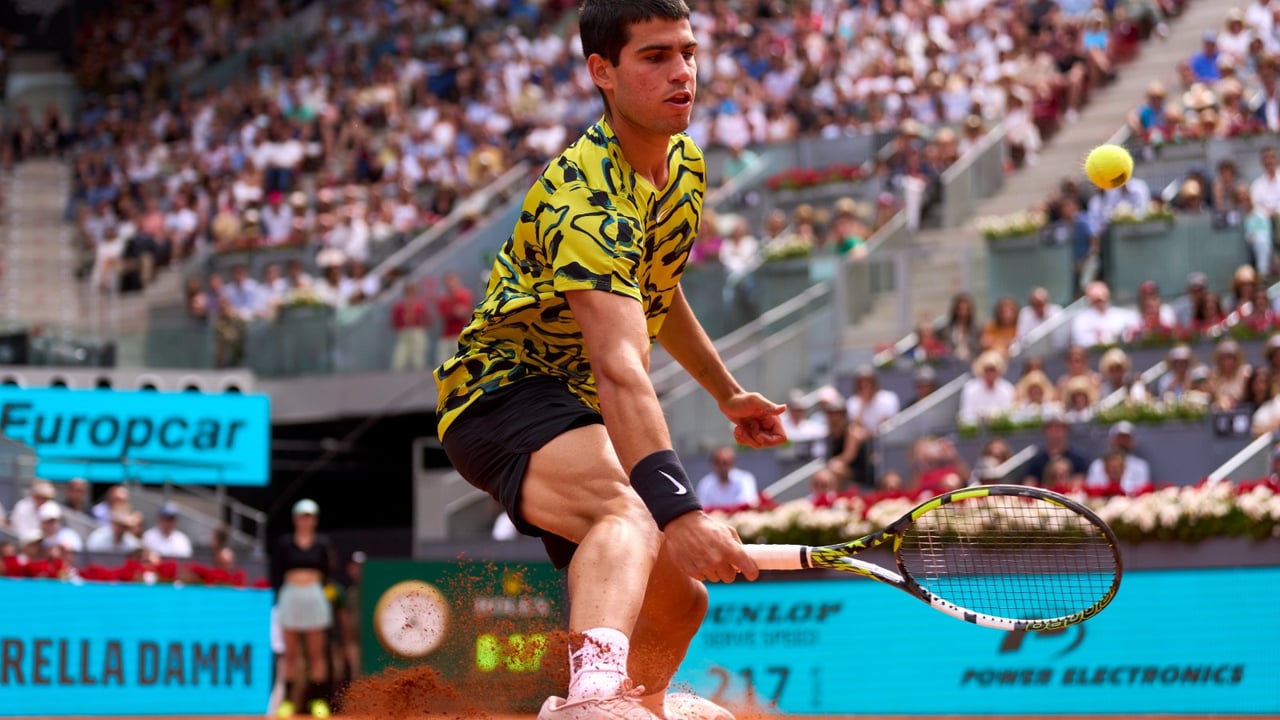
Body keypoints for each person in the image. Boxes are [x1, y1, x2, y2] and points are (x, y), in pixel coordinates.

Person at [431, 4, 785, 718]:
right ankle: (590, 702)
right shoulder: (585, 197)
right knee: (629, 509)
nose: (682, 72)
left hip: (577, 404)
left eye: (687, 52)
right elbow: (620, 363)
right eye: (655, 56)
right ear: (603, 72)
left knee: (680, 603)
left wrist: (725, 391)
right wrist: (680, 510)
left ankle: (635, 706)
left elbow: (656, 289)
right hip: (502, 394)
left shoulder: (683, 164)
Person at [271, 499, 338, 719]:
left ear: (315, 520)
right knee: (290, 654)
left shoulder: (322, 544)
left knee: (316, 654)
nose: (306, 521)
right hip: (290, 596)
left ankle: (317, 701)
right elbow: (277, 571)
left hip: (314, 596)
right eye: (302, 516)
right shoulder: (284, 543)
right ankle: (288, 702)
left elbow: (327, 572)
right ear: (295, 519)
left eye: (309, 517)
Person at [695, 447, 760, 510]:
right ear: (713, 464)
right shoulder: (705, 483)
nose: (722, 467)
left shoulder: (745, 479)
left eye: (725, 463)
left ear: (732, 462)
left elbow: (748, 504)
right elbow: (703, 508)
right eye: (718, 462)